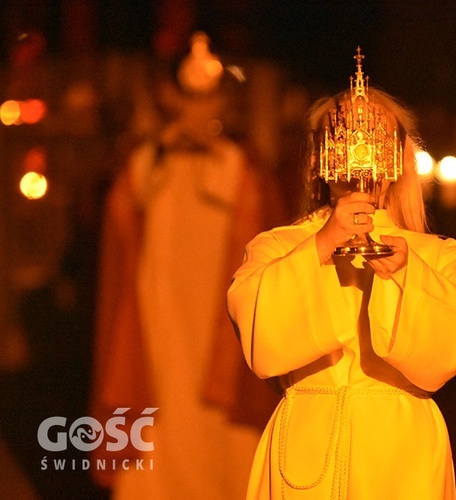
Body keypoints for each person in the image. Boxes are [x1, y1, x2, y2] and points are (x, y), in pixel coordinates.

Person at [226, 49, 456, 499]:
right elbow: (260, 333)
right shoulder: (278, 246)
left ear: (395, 162)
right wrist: (319, 247)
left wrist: (406, 275)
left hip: (403, 455)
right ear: (321, 159)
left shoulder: (435, 255)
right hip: (305, 449)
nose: (359, 164)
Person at [90, 34, 282, 499]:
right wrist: (163, 149)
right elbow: (122, 219)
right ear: (171, 97)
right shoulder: (148, 161)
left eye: (207, 96)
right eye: (189, 96)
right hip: (161, 311)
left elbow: (267, 228)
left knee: (219, 426)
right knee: (163, 398)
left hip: (220, 317)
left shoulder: (240, 165)